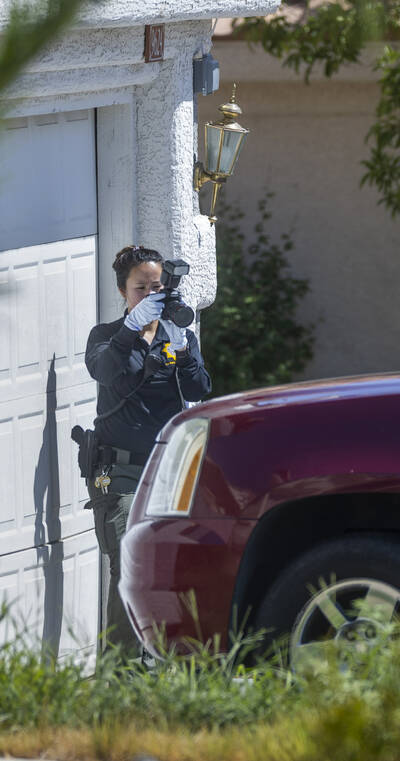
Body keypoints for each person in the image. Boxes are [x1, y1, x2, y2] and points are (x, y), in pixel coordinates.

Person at [84, 245, 211, 654]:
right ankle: (120, 680)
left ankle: (166, 667)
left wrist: (187, 353)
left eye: (158, 287)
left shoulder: (178, 335)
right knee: (129, 570)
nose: (151, 295)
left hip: (167, 473)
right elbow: (103, 371)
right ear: (123, 291)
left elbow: (200, 389)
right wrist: (130, 332)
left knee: (171, 569)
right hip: (118, 473)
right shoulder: (105, 337)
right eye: (141, 288)